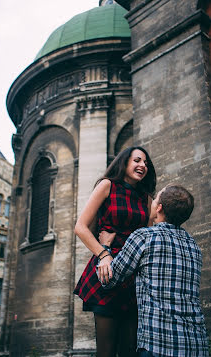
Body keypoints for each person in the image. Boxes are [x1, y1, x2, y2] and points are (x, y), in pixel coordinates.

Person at [98, 185, 209, 357]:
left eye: (155, 198)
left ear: (159, 208)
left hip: (158, 344)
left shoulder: (144, 237)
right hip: (195, 345)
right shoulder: (194, 246)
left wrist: (104, 248)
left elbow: (108, 279)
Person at [73, 146, 157, 357]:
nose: (142, 166)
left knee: (130, 349)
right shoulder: (107, 185)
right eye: (137, 160)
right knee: (106, 351)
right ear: (124, 162)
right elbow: (80, 227)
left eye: (145, 163)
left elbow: (148, 236)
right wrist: (104, 253)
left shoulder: (145, 198)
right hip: (107, 270)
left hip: (134, 275)